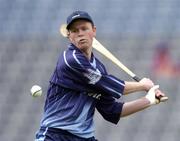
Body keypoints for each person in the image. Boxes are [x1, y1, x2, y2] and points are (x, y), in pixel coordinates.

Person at [35, 11, 166, 141]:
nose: (80, 33)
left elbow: (112, 111)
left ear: (94, 31)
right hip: (55, 136)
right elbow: (109, 84)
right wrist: (143, 85)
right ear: (69, 36)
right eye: (75, 31)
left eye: (84, 28)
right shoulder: (70, 60)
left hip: (84, 137)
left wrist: (149, 100)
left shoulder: (98, 68)